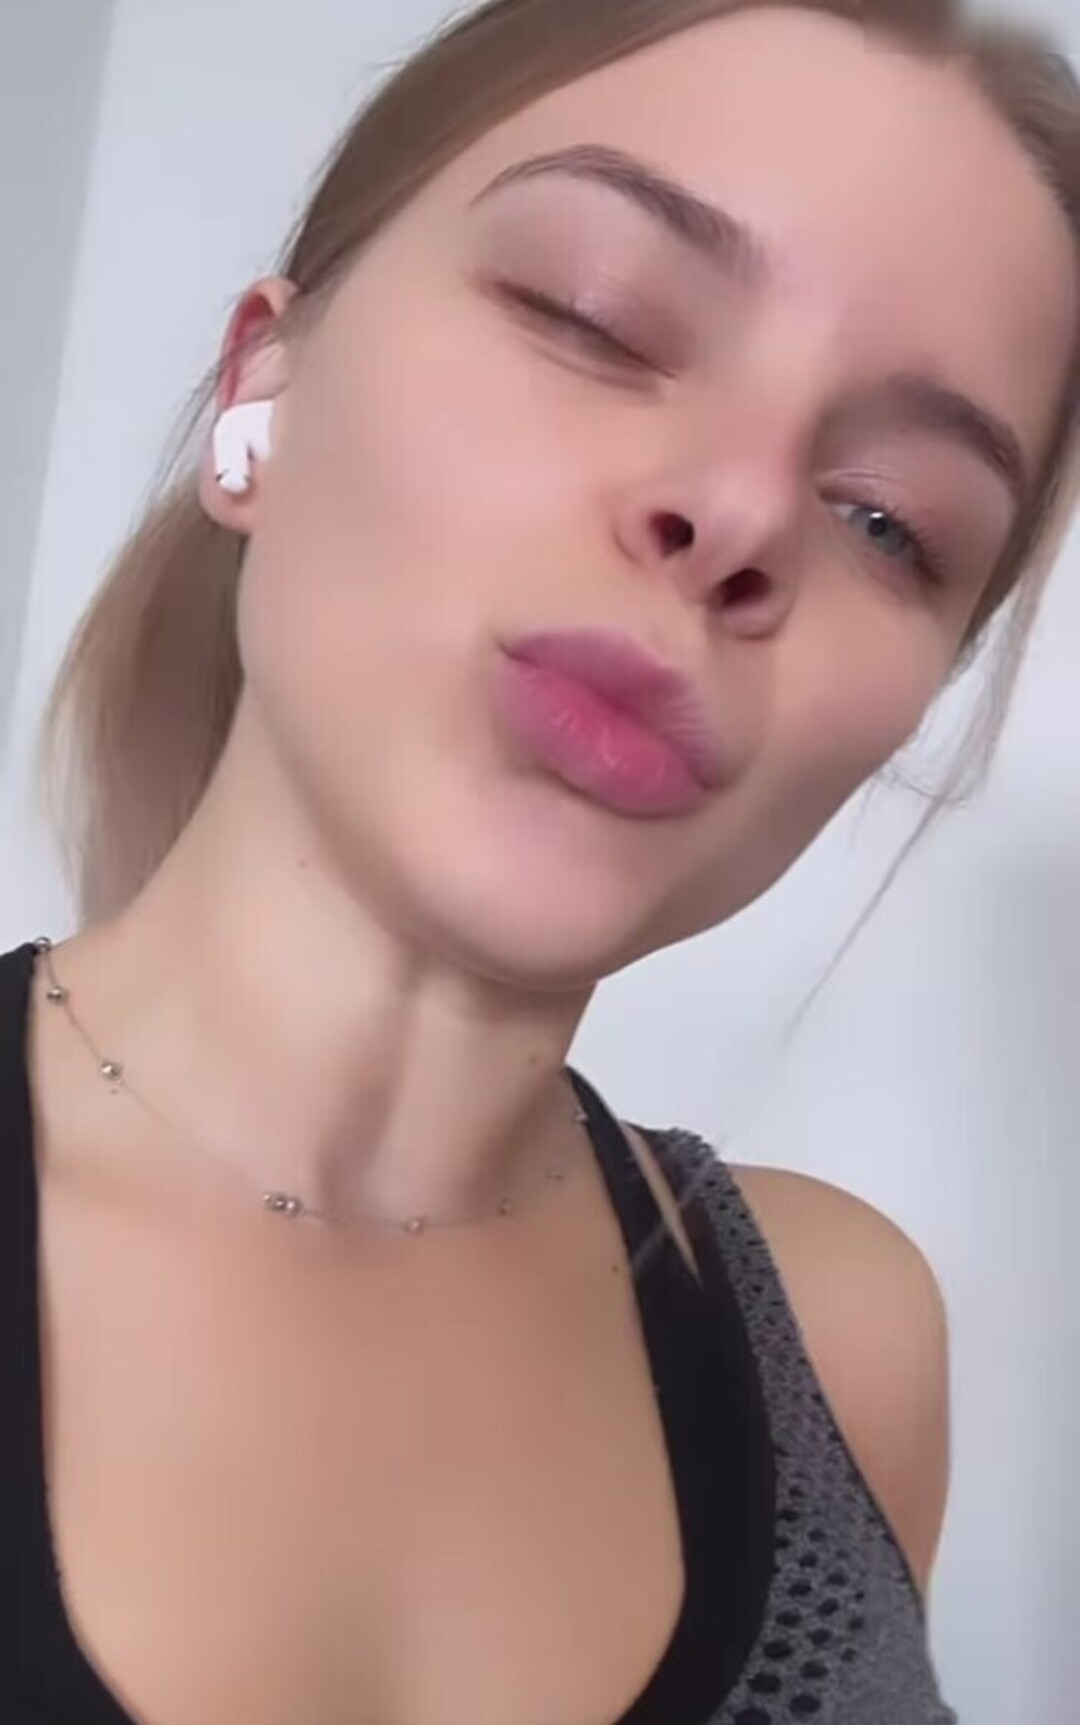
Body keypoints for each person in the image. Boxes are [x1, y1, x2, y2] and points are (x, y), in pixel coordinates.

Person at [6, 0, 1078, 1719]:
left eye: (892, 520)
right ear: (260, 386)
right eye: (594, 317)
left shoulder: (846, 1348)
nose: (741, 514)